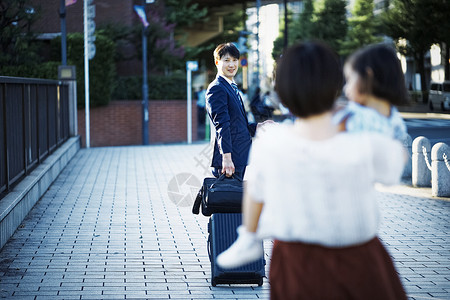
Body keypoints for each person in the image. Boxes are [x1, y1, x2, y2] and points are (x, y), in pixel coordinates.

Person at [217, 41, 407, 299]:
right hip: (361, 255)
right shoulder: (363, 138)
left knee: (253, 181)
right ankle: (248, 239)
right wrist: (379, 108)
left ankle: (248, 239)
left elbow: (256, 190)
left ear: (282, 92)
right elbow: (391, 171)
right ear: (336, 85)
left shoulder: (271, 144)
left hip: (295, 262)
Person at [206, 43, 270, 178]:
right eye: (227, 60)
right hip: (229, 161)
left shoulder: (231, 87)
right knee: (227, 198)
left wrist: (258, 127)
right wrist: (227, 158)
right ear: (217, 62)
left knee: (233, 198)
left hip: (238, 157)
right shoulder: (217, 88)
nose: (232, 65)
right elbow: (222, 125)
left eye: (235, 60)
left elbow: (236, 123)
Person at [334, 43, 408, 142]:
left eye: (349, 79)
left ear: (368, 76)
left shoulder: (351, 118)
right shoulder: (396, 121)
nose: (345, 88)